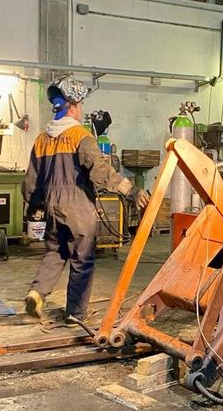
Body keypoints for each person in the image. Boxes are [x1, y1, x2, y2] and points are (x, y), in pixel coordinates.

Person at [23, 77, 150, 325]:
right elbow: (100, 171)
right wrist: (131, 191)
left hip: (52, 205)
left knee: (56, 252)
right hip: (78, 205)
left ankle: (37, 293)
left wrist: (35, 206)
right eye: (79, 105)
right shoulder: (81, 136)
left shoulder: (42, 139)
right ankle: (75, 314)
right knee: (82, 260)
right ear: (73, 106)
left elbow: (31, 181)